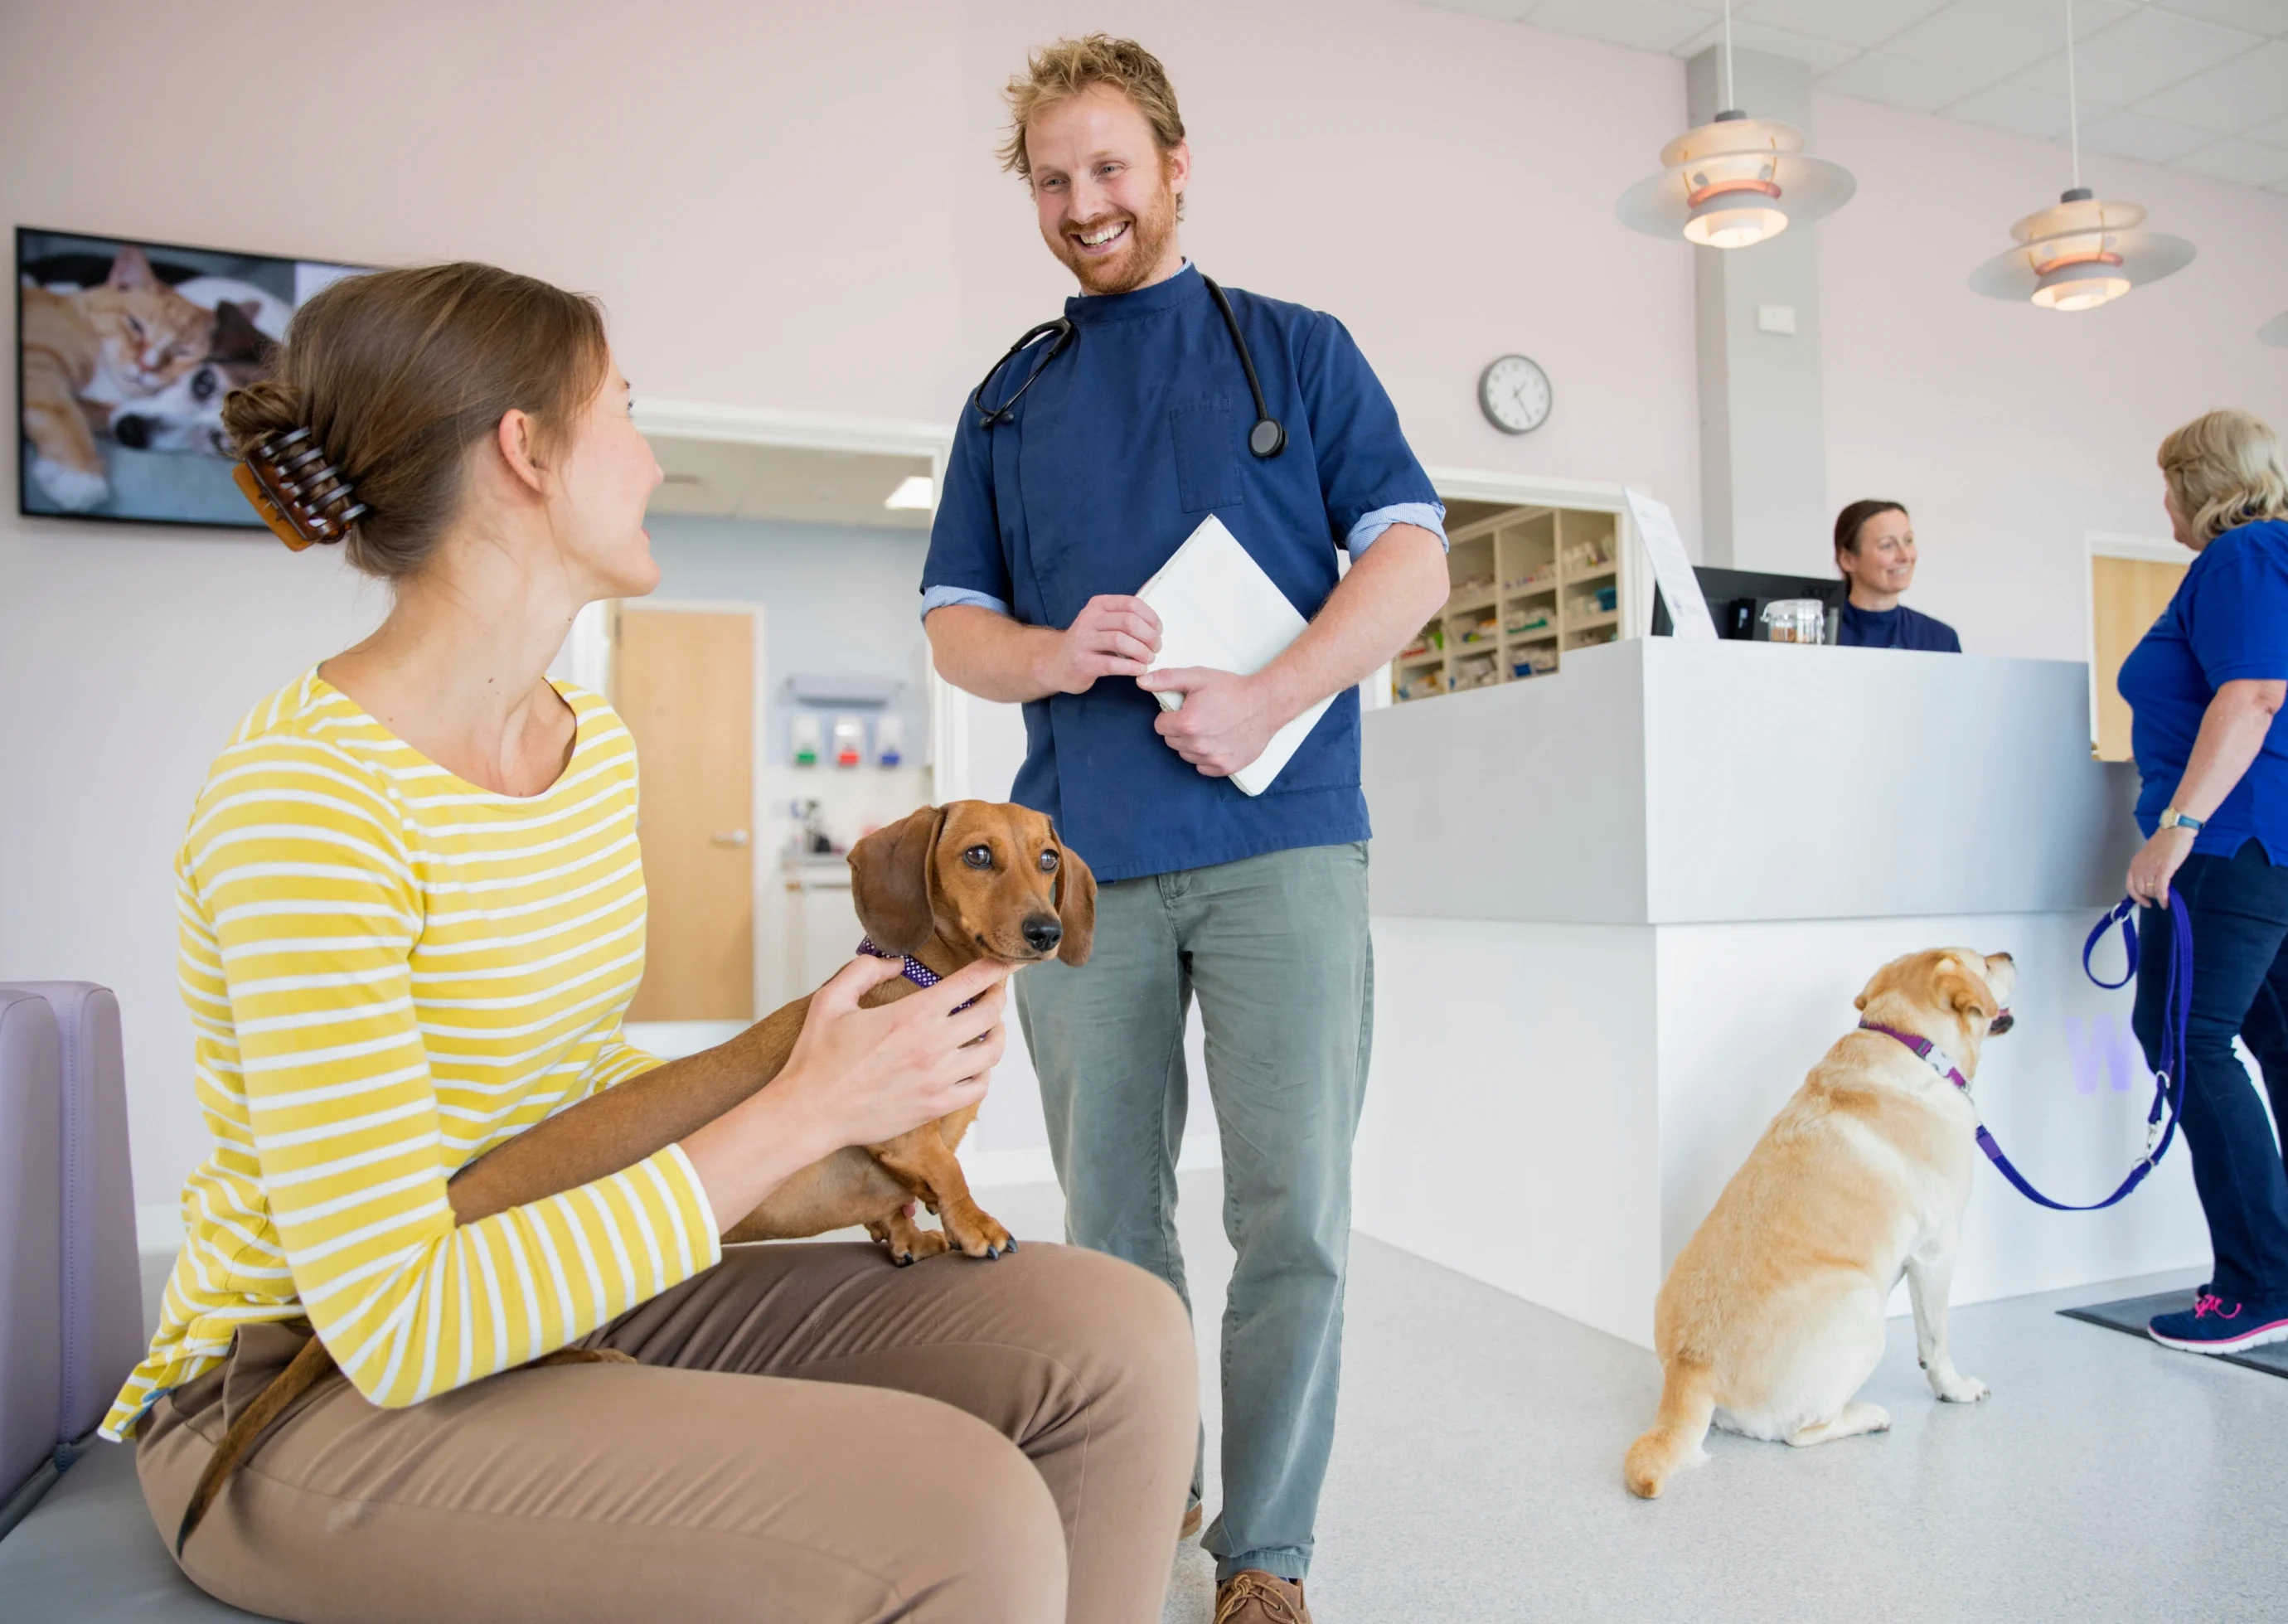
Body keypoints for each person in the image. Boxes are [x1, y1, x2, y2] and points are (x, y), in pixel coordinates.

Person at [110, 261, 1197, 1624]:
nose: (652, 451)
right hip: (305, 1380)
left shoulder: (589, 743)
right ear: (527, 449)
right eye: (622, 408)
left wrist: (826, 1075)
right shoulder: (306, 801)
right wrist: (804, 1103)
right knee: (955, 1507)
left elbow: (569, 1084)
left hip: (554, 1273)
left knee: (1119, 1334)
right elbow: (396, 1318)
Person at [919, 35, 1450, 1624]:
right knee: (1111, 1214)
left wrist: (1271, 690)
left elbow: (1410, 563)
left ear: (1171, 163)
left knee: (1290, 1202)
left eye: (1109, 168)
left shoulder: (1296, 351)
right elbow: (955, 622)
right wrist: (1050, 653)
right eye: (1052, 176)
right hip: (1077, 871)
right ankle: (1158, 1473)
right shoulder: (1008, 399)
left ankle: (1264, 1548)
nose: (1084, 203)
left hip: (1284, 835)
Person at [2117, 409, 2288, 1355]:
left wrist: (2177, 828)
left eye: (2167, 481)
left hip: (2243, 833)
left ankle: (2267, 1283)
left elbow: (2253, 695)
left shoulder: (2240, 558)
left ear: (2199, 481)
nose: (2162, 501)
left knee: (2182, 1032)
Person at [1832, 499, 1961, 652]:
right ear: (1847, 559)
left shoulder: (1940, 638)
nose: (1905, 556)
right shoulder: (1814, 634)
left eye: (1908, 541)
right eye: (1887, 545)